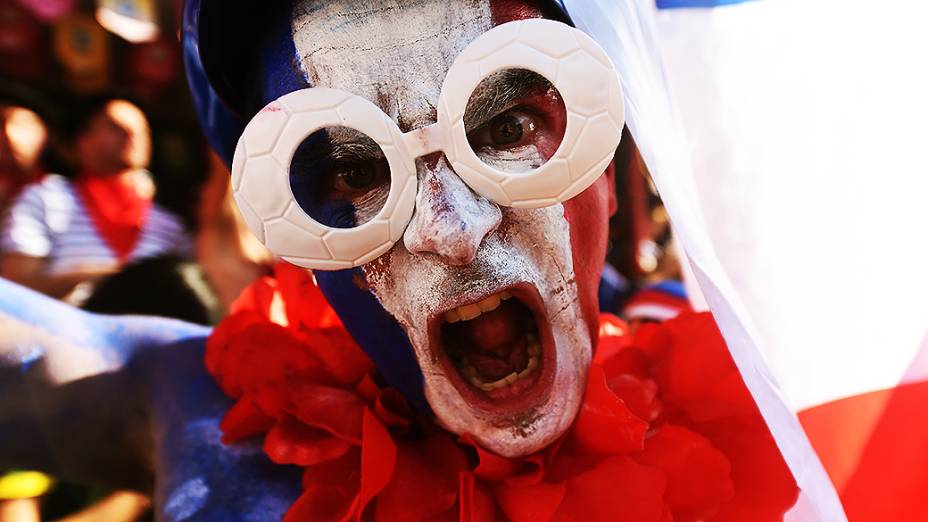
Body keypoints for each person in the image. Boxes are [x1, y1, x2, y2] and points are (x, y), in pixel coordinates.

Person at [0, 2, 799, 520]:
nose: (450, 231)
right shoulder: (195, 409)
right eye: (353, 171)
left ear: (606, 171)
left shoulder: (788, 408)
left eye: (510, 126)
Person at [0, 96, 191, 302]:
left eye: (143, 130)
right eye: (115, 127)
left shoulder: (172, 223)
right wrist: (105, 277)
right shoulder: (44, 199)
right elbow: (16, 291)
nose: (132, 135)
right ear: (82, 140)